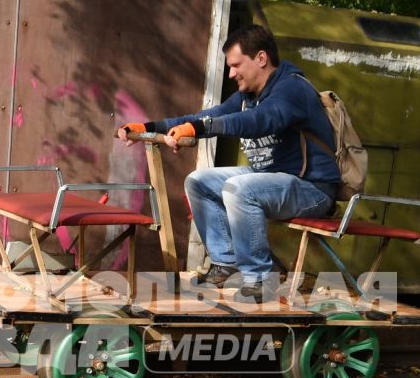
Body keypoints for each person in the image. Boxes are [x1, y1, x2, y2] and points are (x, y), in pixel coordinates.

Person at [118, 24, 354, 300]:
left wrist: (202, 129)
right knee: (198, 181)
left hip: (311, 189)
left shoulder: (292, 89)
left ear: (261, 59)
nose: (231, 74)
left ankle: (259, 279)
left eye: (236, 65)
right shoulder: (247, 96)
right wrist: (149, 126)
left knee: (240, 188)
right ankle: (226, 262)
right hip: (272, 179)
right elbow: (206, 116)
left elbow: (257, 122)